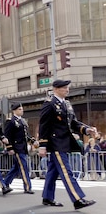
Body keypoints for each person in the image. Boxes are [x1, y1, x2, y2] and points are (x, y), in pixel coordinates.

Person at [38, 79, 96, 210]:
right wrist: (42, 145)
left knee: (52, 171)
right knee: (66, 172)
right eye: (64, 87)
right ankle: (77, 199)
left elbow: (74, 123)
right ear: (56, 89)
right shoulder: (49, 104)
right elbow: (43, 125)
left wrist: (86, 129)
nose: (67, 89)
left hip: (65, 142)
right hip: (56, 143)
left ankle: (47, 197)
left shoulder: (67, 104)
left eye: (67, 87)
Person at [4, 103, 38, 194]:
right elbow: (7, 136)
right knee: (24, 167)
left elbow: (27, 135)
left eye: (22, 109)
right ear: (14, 111)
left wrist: (33, 141)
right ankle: (27, 187)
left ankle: (5, 183)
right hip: (16, 148)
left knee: (16, 168)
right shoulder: (10, 121)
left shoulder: (23, 121)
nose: (21, 110)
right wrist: (9, 148)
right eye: (19, 109)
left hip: (23, 147)